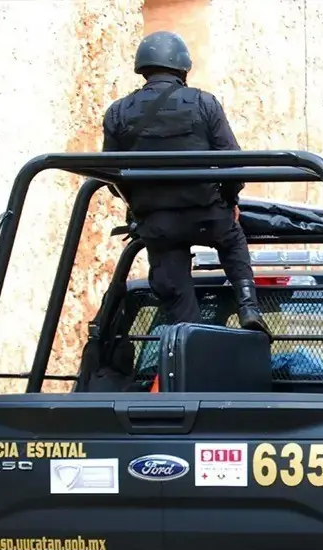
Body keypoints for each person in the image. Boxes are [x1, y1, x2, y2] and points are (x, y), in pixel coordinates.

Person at [101, 30, 269, 336]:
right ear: (182, 68)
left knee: (181, 313)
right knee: (232, 240)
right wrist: (230, 202)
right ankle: (247, 305)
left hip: (159, 225)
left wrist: (138, 208)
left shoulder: (117, 112)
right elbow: (233, 162)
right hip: (206, 214)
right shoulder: (204, 103)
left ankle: (187, 346)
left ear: (143, 68)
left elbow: (110, 173)